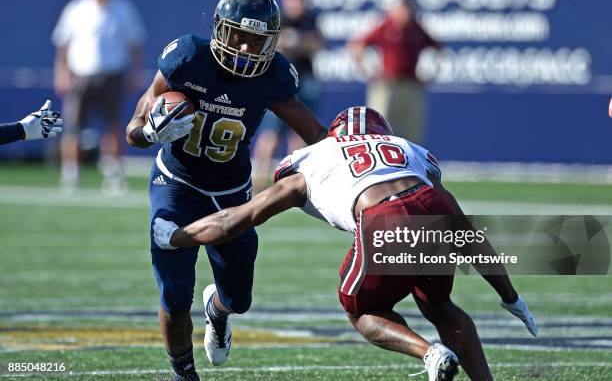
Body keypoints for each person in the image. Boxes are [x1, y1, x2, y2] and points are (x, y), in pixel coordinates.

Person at [153, 107, 537, 381]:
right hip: (434, 205)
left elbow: (240, 217)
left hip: (383, 217)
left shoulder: (314, 160)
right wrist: (509, 294)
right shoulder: (407, 150)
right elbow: (463, 230)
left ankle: (430, 353)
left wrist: (179, 236)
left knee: (361, 310)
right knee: (438, 304)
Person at [125, 0, 326, 381]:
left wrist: (355, 154)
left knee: (239, 297)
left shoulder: (273, 76)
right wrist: (149, 132)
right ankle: (184, 373)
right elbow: (133, 126)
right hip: (175, 183)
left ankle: (217, 308)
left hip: (232, 194)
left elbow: (315, 133)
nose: (247, 49)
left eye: (257, 40)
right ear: (220, 29)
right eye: (239, 36)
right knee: (175, 293)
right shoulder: (187, 57)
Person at [52, 0, 146, 193]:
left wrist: (134, 73)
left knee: (113, 126)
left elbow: (135, 44)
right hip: (80, 76)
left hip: (112, 75)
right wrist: (62, 73)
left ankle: (113, 173)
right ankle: (71, 174)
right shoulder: (75, 9)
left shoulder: (123, 8)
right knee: (73, 127)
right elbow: (63, 45)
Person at [252, 0, 325, 191]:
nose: (296, 3)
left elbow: (318, 44)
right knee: (271, 133)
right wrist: (295, 42)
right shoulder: (278, 19)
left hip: (306, 81)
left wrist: (297, 42)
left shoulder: (311, 19)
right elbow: (275, 45)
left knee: (300, 133)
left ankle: (294, 181)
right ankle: (258, 180)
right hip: (282, 83)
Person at [348, 0, 440, 145]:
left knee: (413, 135)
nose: (405, 13)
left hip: (411, 85)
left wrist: (430, 75)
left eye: (408, 9)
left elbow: (438, 49)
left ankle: (411, 166)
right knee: (379, 132)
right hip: (387, 85)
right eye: (401, 9)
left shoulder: (416, 28)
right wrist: (367, 72)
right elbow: (357, 46)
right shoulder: (385, 26)